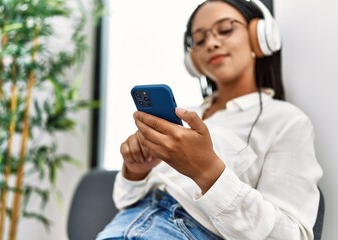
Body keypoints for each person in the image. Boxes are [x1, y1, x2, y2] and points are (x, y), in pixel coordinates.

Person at [96, 0, 323, 239]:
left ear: (260, 37)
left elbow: (291, 235)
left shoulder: (285, 120)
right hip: (121, 225)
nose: (212, 43)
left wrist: (207, 171)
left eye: (225, 30)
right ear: (193, 60)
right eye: (200, 40)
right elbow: (124, 200)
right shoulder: (182, 114)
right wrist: (135, 171)